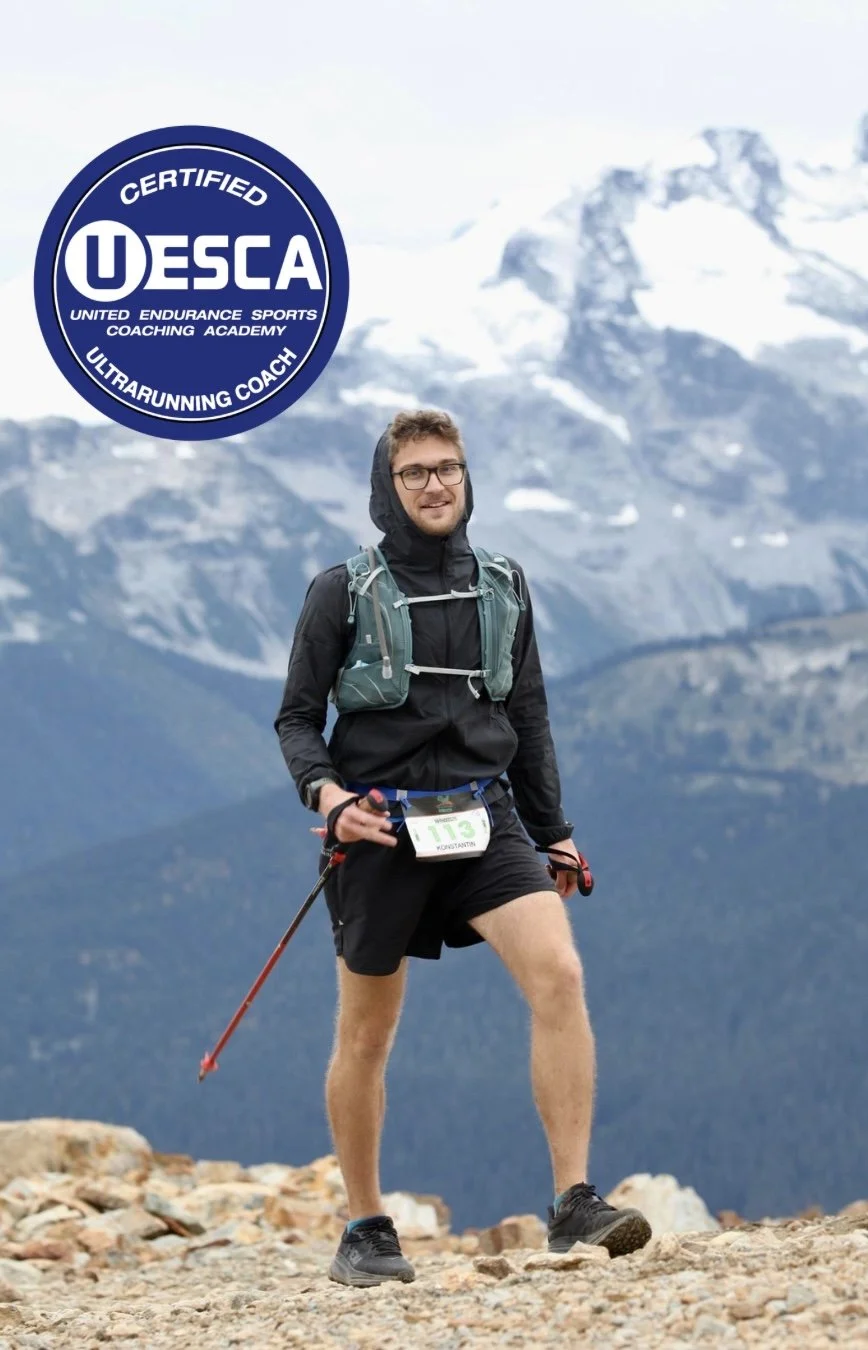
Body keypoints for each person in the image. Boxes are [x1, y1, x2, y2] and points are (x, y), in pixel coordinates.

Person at [274, 409, 650, 1287]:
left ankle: (573, 1203)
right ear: (386, 488)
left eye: (449, 469)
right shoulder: (341, 591)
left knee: (559, 974)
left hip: (485, 820)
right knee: (368, 1034)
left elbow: (528, 715)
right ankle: (366, 1228)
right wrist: (329, 801)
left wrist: (552, 828)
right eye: (416, 474)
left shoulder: (504, 585)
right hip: (380, 830)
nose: (437, 484)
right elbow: (297, 718)